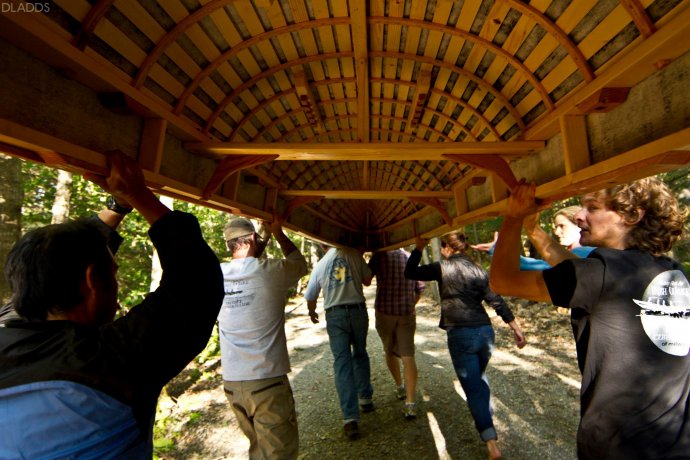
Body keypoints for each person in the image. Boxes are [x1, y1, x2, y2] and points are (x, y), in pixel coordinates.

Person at [0, 151, 224, 458]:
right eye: (114, 274)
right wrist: (137, 193)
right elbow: (196, 283)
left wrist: (120, 205)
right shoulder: (108, 363)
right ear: (92, 280)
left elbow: (49, 261)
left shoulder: (9, 331)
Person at [490, 178, 690, 459]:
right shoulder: (670, 271)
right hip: (676, 442)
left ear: (632, 215)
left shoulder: (599, 275)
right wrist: (533, 229)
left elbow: (501, 280)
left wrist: (513, 217)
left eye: (592, 207)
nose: (579, 216)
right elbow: (578, 270)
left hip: (618, 448)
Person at [405, 232, 526, 460]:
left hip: (461, 334)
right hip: (485, 333)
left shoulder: (443, 267)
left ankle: (491, 443)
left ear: (446, 248)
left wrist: (419, 248)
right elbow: (496, 300)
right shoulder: (479, 270)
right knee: (478, 378)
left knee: (472, 389)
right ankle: (485, 415)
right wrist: (515, 327)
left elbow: (410, 272)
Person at [218, 216, 307, 459]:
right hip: (266, 381)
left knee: (258, 449)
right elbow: (299, 263)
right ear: (254, 240)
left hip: (233, 384)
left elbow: (248, 261)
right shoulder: (271, 271)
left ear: (228, 245)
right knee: (279, 454)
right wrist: (277, 232)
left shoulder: (214, 276)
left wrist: (260, 240)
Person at [474, 206, 595, 373]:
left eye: (563, 226)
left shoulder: (587, 253)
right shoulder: (584, 254)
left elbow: (540, 267)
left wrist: (502, 246)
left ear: (578, 226)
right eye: (555, 227)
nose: (558, 232)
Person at [304, 243, 374, 440]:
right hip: (357, 312)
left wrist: (311, 311)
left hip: (335, 315)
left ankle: (350, 419)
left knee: (342, 363)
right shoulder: (353, 252)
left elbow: (311, 295)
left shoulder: (321, 264)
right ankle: (366, 398)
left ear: (322, 243)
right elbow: (368, 280)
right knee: (360, 354)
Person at [368, 249, 425, 420]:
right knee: (408, 356)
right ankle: (410, 403)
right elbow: (420, 287)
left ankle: (399, 386)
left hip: (385, 312)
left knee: (388, 349)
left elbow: (365, 279)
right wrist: (410, 303)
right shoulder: (409, 256)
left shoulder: (379, 256)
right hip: (406, 312)